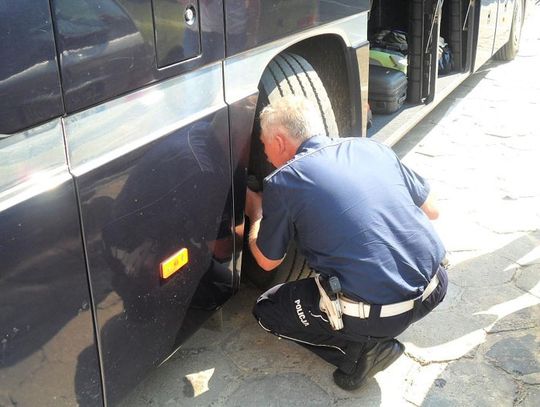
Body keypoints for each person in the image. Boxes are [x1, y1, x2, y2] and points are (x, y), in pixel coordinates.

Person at [244, 95, 448, 391]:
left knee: (267, 308)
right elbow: (433, 210)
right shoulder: (372, 147)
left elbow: (266, 261)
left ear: (278, 140)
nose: (265, 155)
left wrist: (257, 213)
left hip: (383, 316)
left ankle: (361, 351)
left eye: (263, 146)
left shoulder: (284, 180)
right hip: (436, 286)